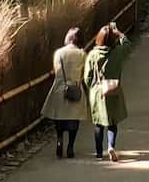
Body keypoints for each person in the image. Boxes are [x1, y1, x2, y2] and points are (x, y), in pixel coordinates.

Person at [85, 22, 131, 161]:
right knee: (112, 122)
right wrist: (119, 32)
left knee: (98, 123)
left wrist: (92, 88)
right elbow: (128, 44)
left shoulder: (93, 54)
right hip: (113, 88)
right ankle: (111, 146)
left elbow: (87, 77)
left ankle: (99, 153)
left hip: (98, 91)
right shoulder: (118, 51)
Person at [40, 27, 88, 158]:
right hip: (76, 89)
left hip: (60, 89)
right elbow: (84, 72)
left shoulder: (59, 53)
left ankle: (60, 139)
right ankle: (71, 146)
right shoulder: (82, 54)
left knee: (59, 118)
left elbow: (57, 70)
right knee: (74, 119)